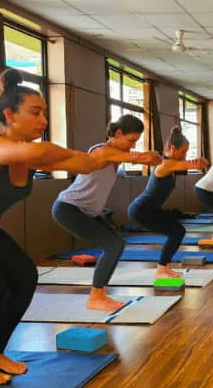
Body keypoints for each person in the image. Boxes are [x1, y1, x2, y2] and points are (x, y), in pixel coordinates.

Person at [0, 69, 99, 387]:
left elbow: (86, 164)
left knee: (24, 277)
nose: (43, 119)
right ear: (9, 114)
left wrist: (95, 156)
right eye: (35, 112)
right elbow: (44, 153)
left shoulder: (31, 155)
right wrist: (59, 156)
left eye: (44, 112)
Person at [52, 115, 162, 312]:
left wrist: (145, 155)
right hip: (69, 208)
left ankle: (99, 294)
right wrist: (142, 156)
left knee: (116, 245)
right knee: (113, 245)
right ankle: (96, 296)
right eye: (130, 140)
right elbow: (148, 158)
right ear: (118, 133)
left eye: (135, 142)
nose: (132, 146)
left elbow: (156, 158)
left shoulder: (117, 154)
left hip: (88, 212)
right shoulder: (100, 151)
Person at [127, 126, 209, 279]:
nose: (185, 156)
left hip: (151, 210)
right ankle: (162, 269)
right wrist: (198, 162)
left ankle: (164, 267)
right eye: (183, 152)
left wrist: (201, 161)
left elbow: (200, 163)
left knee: (177, 232)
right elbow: (195, 165)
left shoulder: (171, 165)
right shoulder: (165, 164)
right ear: (173, 148)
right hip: (141, 210)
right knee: (176, 232)